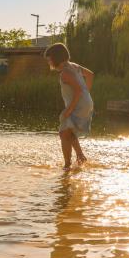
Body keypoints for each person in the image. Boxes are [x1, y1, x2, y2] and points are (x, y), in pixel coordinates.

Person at [44, 43, 94, 171]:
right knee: (68, 131)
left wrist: (69, 110)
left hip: (77, 105)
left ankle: (67, 166)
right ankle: (80, 156)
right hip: (86, 103)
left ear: (56, 58)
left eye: (49, 59)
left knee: (63, 133)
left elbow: (77, 91)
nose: (48, 61)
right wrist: (86, 95)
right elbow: (90, 75)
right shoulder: (74, 66)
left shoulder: (65, 73)